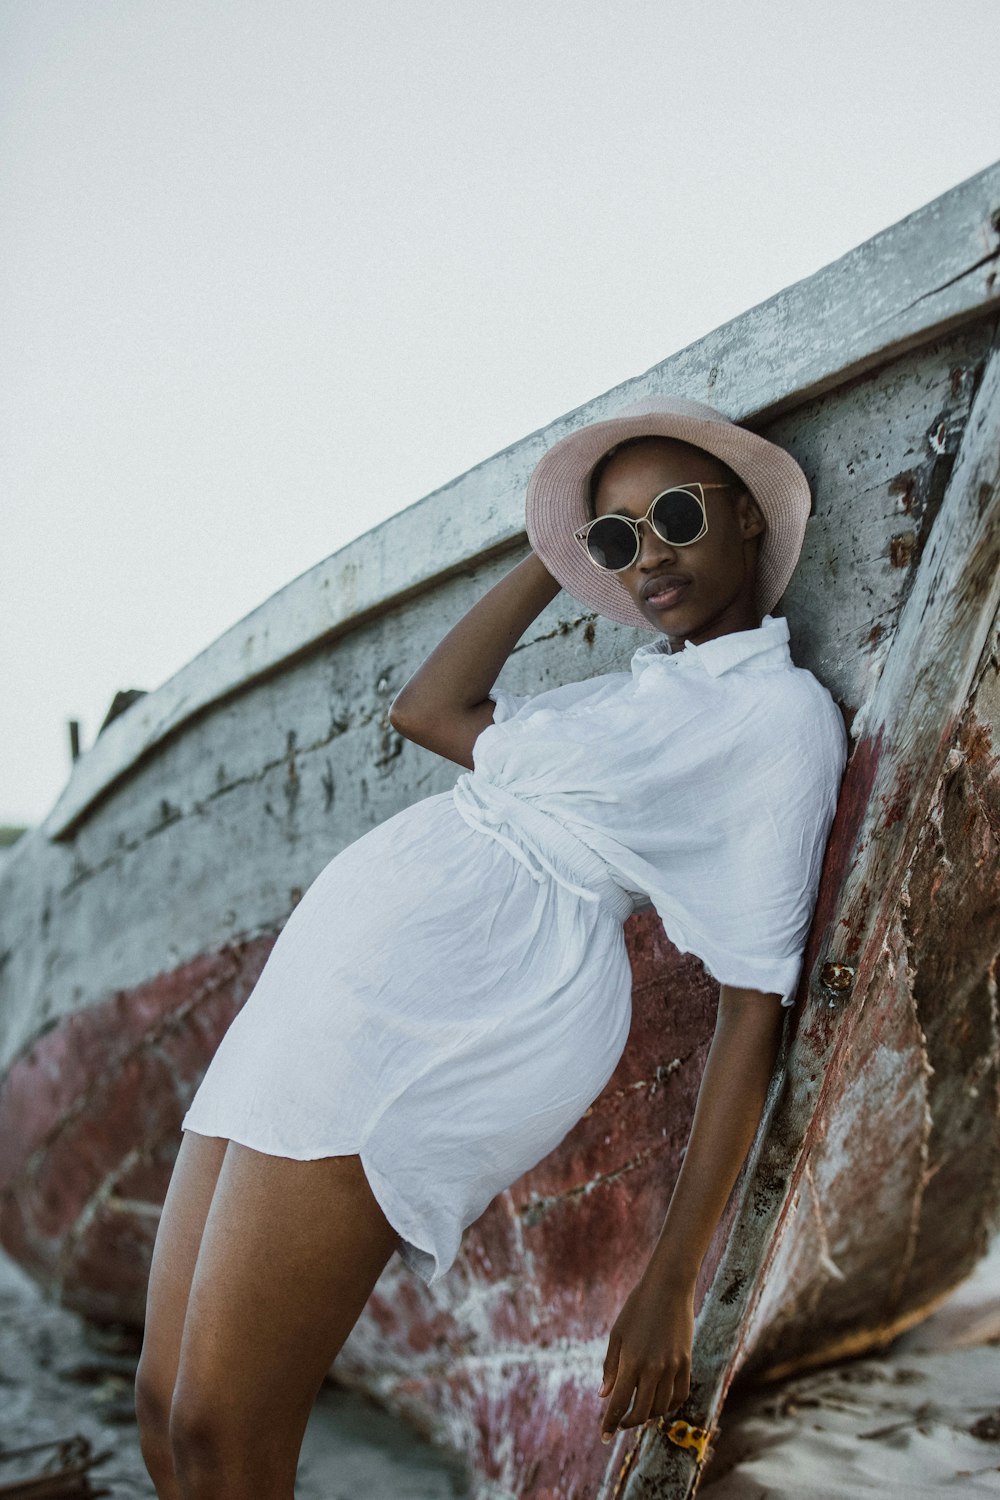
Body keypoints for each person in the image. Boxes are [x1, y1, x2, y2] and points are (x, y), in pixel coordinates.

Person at [134, 395, 847, 1498]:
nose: (645, 554)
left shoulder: (775, 719)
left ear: (748, 517)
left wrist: (670, 1281)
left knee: (228, 1430)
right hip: (318, 1001)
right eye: (615, 538)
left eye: (671, 515)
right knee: (167, 1412)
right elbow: (428, 710)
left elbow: (756, 1005)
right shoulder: (633, 694)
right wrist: (555, 553)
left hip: (432, 1019)